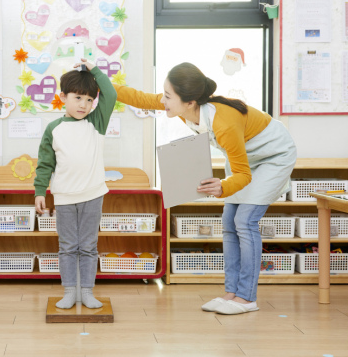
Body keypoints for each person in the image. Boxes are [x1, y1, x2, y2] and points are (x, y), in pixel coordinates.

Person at [114, 62, 296, 315]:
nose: (162, 100)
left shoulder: (223, 122)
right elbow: (140, 98)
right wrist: (99, 80)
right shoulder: (184, 108)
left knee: (245, 221)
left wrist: (221, 186)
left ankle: (247, 297)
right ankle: (231, 293)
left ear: (189, 101)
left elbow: (242, 174)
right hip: (246, 156)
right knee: (229, 221)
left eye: (168, 96)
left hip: (273, 156)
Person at [34, 59, 117, 309]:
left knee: (89, 246)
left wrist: (93, 70)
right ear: (63, 97)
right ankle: (71, 291)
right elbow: (45, 163)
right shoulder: (54, 128)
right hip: (64, 197)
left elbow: (110, 94)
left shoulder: (96, 123)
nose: (84, 104)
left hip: (93, 194)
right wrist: (40, 191)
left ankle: (88, 292)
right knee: (68, 246)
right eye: (78, 97)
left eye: (90, 100)